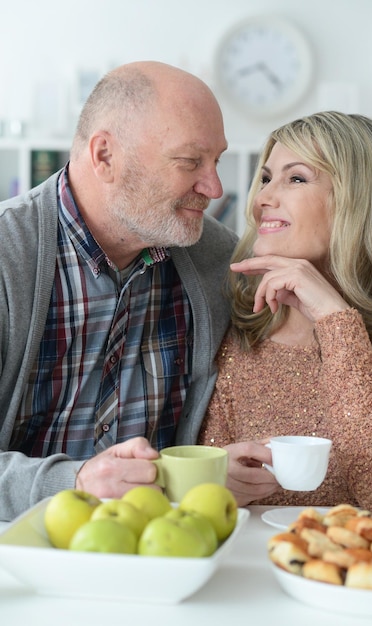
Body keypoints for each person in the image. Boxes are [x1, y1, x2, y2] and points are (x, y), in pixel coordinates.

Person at [0, 61, 238, 521]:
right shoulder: (9, 256)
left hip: (163, 545)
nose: (214, 187)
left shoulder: (216, 259)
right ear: (105, 156)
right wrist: (72, 483)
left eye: (217, 160)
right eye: (190, 162)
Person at [198, 111, 372, 512]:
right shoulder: (249, 311)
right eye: (267, 178)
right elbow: (211, 479)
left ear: (358, 199)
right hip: (250, 563)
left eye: (296, 178)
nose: (262, 199)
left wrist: (335, 321)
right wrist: (220, 481)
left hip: (365, 569)